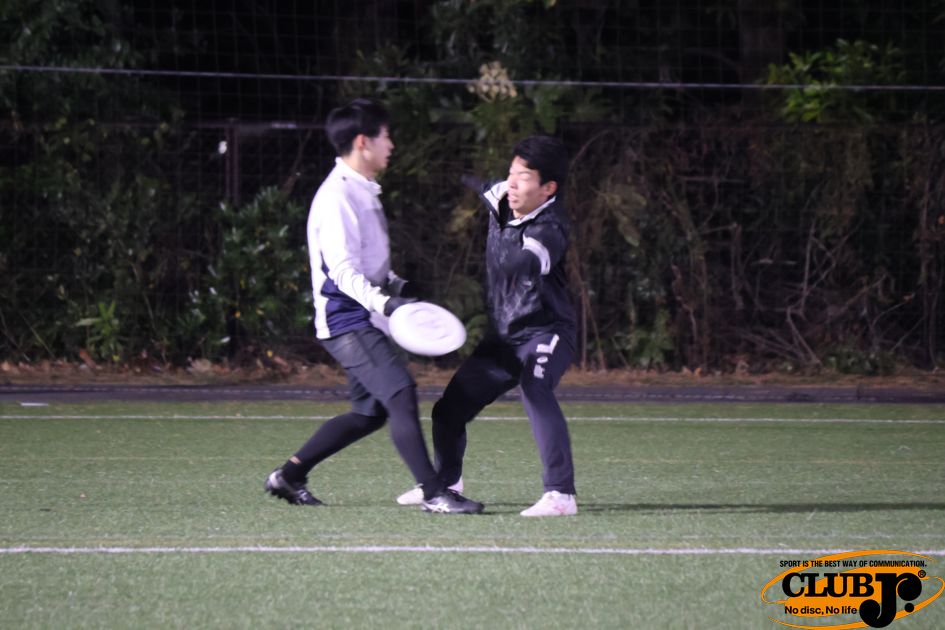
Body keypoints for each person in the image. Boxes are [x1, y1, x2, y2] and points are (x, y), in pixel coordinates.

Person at [265, 98, 483, 514]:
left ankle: (289, 476)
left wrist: (398, 285)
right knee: (400, 392)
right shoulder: (338, 196)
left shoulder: (361, 189)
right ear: (363, 141)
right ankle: (435, 493)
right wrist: (387, 303)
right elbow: (342, 271)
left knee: (369, 414)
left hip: (362, 316)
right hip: (346, 319)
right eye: (386, 136)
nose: (392, 144)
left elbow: (366, 263)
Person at [397, 135, 578, 516]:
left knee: (535, 388)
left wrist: (510, 265)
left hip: (547, 331)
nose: (513, 183)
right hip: (504, 337)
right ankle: (446, 484)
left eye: (524, 177)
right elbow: (482, 185)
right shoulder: (502, 195)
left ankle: (561, 495)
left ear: (548, 188)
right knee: (448, 410)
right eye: (512, 173)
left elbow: (531, 259)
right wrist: (453, 173)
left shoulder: (551, 227)